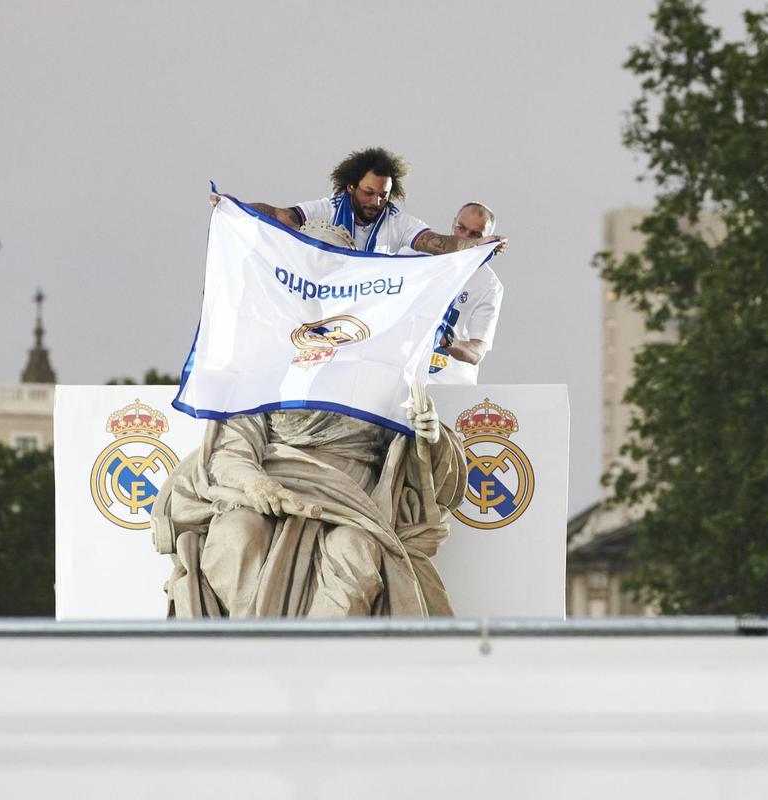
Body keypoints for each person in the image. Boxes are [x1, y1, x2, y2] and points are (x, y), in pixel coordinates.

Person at [151, 223, 468, 618]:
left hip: (352, 497)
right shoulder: (265, 358)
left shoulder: (382, 358)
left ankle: (319, 660)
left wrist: (430, 436)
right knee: (235, 536)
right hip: (271, 483)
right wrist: (257, 485)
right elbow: (231, 448)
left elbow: (423, 464)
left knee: (354, 550)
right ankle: (250, 655)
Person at [211, 146, 508, 256]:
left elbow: (438, 243)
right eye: (368, 192)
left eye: (383, 194)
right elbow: (277, 214)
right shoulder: (325, 210)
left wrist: (476, 245)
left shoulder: (398, 222)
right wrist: (235, 206)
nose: (376, 201)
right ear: (351, 187)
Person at [424, 202, 505, 385]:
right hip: (408, 382)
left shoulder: (489, 285)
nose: (467, 238)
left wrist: (446, 340)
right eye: (461, 228)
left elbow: (477, 353)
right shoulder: (422, 262)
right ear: (453, 224)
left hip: (451, 386)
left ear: (487, 239)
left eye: (476, 235)